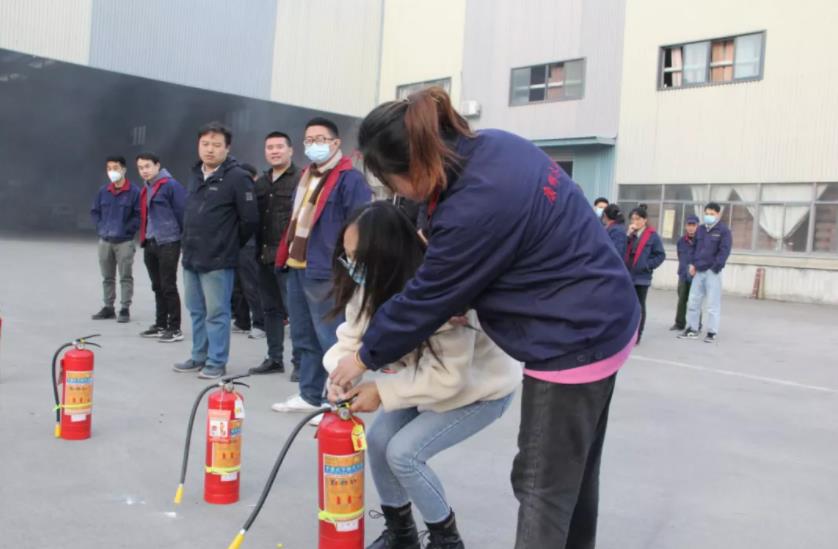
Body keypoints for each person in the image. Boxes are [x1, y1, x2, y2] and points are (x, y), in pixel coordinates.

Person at [329, 88, 639, 549]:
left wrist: (363, 358)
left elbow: (426, 298)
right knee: (573, 475)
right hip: (604, 310)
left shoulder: (474, 204)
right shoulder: (494, 147)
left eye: (392, 184)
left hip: (574, 338)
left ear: (413, 167)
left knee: (541, 485)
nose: (397, 196)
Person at [323, 201, 521, 549]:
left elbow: (449, 378)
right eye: (347, 256)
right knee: (379, 441)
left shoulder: (442, 296)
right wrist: (340, 377)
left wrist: (381, 392)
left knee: (404, 454)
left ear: (387, 256)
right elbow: (352, 340)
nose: (351, 267)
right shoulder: (370, 284)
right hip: (422, 380)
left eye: (358, 259)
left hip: (480, 390)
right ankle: (401, 535)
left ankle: (447, 541)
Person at [271, 117, 372, 413]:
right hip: (298, 264)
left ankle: (337, 401)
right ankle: (310, 394)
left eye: (320, 140)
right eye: (309, 140)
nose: (314, 145)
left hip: (327, 270)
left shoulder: (349, 180)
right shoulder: (306, 176)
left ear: (336, 143)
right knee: (303, 336)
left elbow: (361, 225)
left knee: (332, 338)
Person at [173, 122, 258, 379]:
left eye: (216, 145)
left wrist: (227, 243)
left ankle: (217, 361)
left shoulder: (238, 177)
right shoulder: (195, 173)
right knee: (196, 310)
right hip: (191, 256)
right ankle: (198, 355)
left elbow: (249, 220)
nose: (210, 149)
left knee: (217, 313)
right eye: (205, 144)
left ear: (227, 148)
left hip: (218, 259)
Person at [249, 132, 300, 377]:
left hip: (290, 259)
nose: (274, 151)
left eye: (280, 146)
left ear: (291, 150)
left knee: (296, 312)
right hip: (263, 256)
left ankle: (301, 361)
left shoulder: (301, 180)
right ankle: (274, 359)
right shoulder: (260, 183)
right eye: (270, 147)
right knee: (271, 310)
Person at [136, 152, 186, 342]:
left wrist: (183, 240)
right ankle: (160, 324)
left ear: (157, 166)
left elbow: (183, 213)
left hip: (168, 241)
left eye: (147, 166)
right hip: (150, 241)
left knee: (168, 285)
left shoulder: (171, 185)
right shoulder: (147, 187)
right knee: (157, 285)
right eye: (140, 168)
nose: (144, 171)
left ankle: (175, 328)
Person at [90, 155, 140, 323]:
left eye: (115, 168)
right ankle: (108, 307)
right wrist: (100, 228)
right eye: (109, 168)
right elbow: (95, 212)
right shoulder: (103, 191)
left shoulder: (134, 192)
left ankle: (125, 308)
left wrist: (127, 230)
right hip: (105, 241)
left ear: (124, 169)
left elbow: (139, 215)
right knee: (107, 277)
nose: (112, 171)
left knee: (125, 276)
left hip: (124, 242)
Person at [678, 202, 732, 343]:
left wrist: (715, 267)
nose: (708, 216)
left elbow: (724, 251)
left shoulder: (723, 231)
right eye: (707, 214)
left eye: (712, 214)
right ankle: (692, 329)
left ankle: (711, 332)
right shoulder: (701, 229)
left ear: (718, 214)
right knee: (693, 301)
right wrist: (692, 264)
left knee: (713, 304)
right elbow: (694, 248)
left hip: (712, 272)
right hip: (698, 271)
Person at [231, 162, 265, 340]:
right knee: (238, 284)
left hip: (249, 243)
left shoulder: (256, 193)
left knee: (251, 284)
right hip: (236, 242)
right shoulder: (237, 192)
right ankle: (242, 320)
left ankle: (260, 323)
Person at [625, 205, 666, 344]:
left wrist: (647, 265)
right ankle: (628, 334)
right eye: (632, 219)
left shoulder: (652, 236)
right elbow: (623, 250)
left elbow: (660, 255)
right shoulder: (631, 235)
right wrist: (628, 235)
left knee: (640, 306)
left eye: (637, 219)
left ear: (644, 220)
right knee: (628, 306)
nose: (635, 222)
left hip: (642, 277)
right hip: (629, 275)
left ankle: (638, 334)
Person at [670, 215, 699, 332]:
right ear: (686, 226)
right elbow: (679, 255)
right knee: (681, 299)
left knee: (695, 301)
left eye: (693, 225)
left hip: (696, 275)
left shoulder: (701, 241)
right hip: (683, 274)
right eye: (689, 225)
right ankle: (679, 323)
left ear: (697, 226)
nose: (691, 228)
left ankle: (696, 324)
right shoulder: (681, 241)